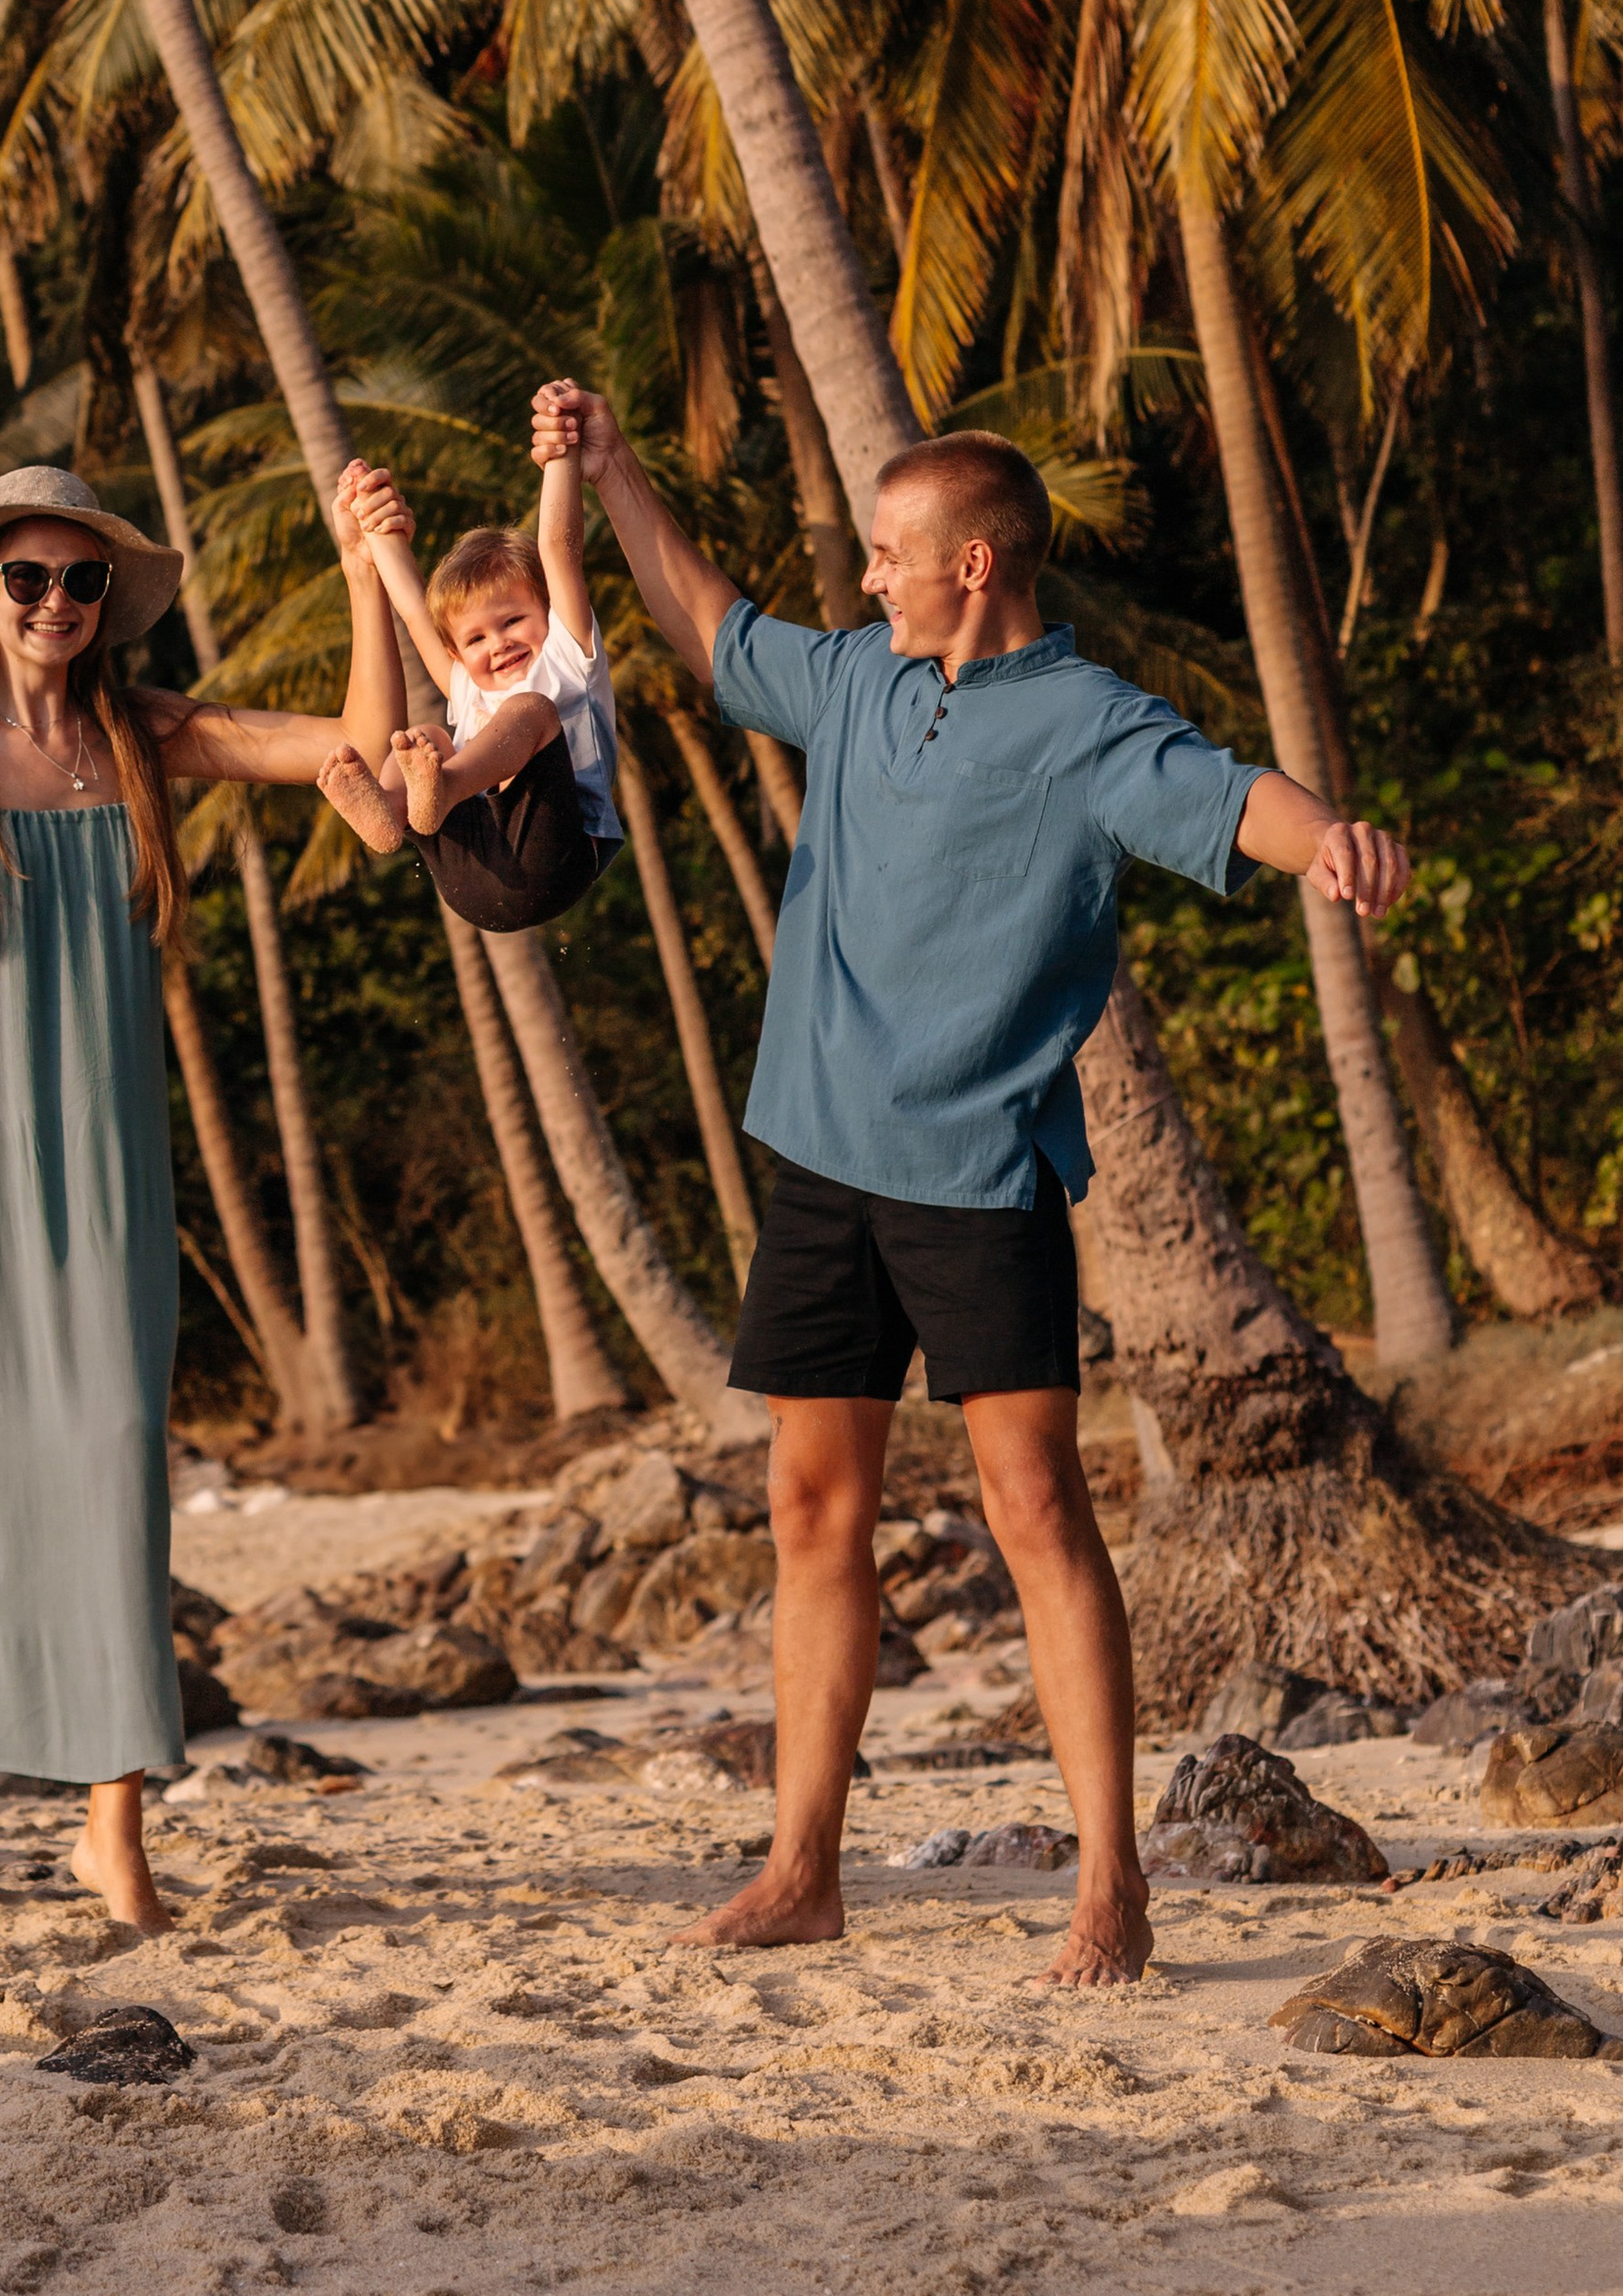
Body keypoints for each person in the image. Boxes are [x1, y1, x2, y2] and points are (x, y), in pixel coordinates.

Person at [528, 384, 1411, 1988]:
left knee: (1033, 1511)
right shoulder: (863, 678)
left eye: (888, 557)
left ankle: (1112, 1888)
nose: (865, 581)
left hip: (981, 1169)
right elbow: (711, 625)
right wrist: (614, 467)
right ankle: (802, 1866)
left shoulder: (1085, 726)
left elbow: (1227, 795)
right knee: (814, 1512)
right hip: (823, 1164)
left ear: (980, 567)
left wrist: (1330, 840)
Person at [0, 458, 402, 1929]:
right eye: (28, 576)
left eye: (83, 579)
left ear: (108, 601)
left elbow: (355, 744)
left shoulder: (144, 731)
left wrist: (365, 577)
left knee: (113, 1462)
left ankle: (114, 1825)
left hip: (103, 1155)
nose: (57, 601)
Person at [318, 395, 621, 932]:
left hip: (559, 858)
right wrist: (372, 523)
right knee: (423, 736)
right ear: (457, 653)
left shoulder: (568, 658)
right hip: (475, 877)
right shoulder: (468, 688)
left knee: (530, 710)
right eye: (475, 638)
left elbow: (558, 548)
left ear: (549, 610)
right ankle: (389, 813)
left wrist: (562, 454)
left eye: (511, 621)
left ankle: (437, 791)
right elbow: (413, 610)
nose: (498, 644)